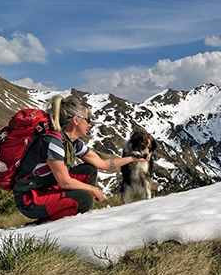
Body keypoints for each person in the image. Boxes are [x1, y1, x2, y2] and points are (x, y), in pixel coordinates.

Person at [13, 95, 150, 224]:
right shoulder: (53, 142)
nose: (90, 125)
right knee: (85, 198)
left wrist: (133, 158)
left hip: (46, 188)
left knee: (89, 170)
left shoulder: (73, 142)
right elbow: (65, 182)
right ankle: (47, 222)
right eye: (88, 120)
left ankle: (75, 209)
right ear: (76, 120)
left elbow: (103, 164)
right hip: (30, 199)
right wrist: (93, 190)